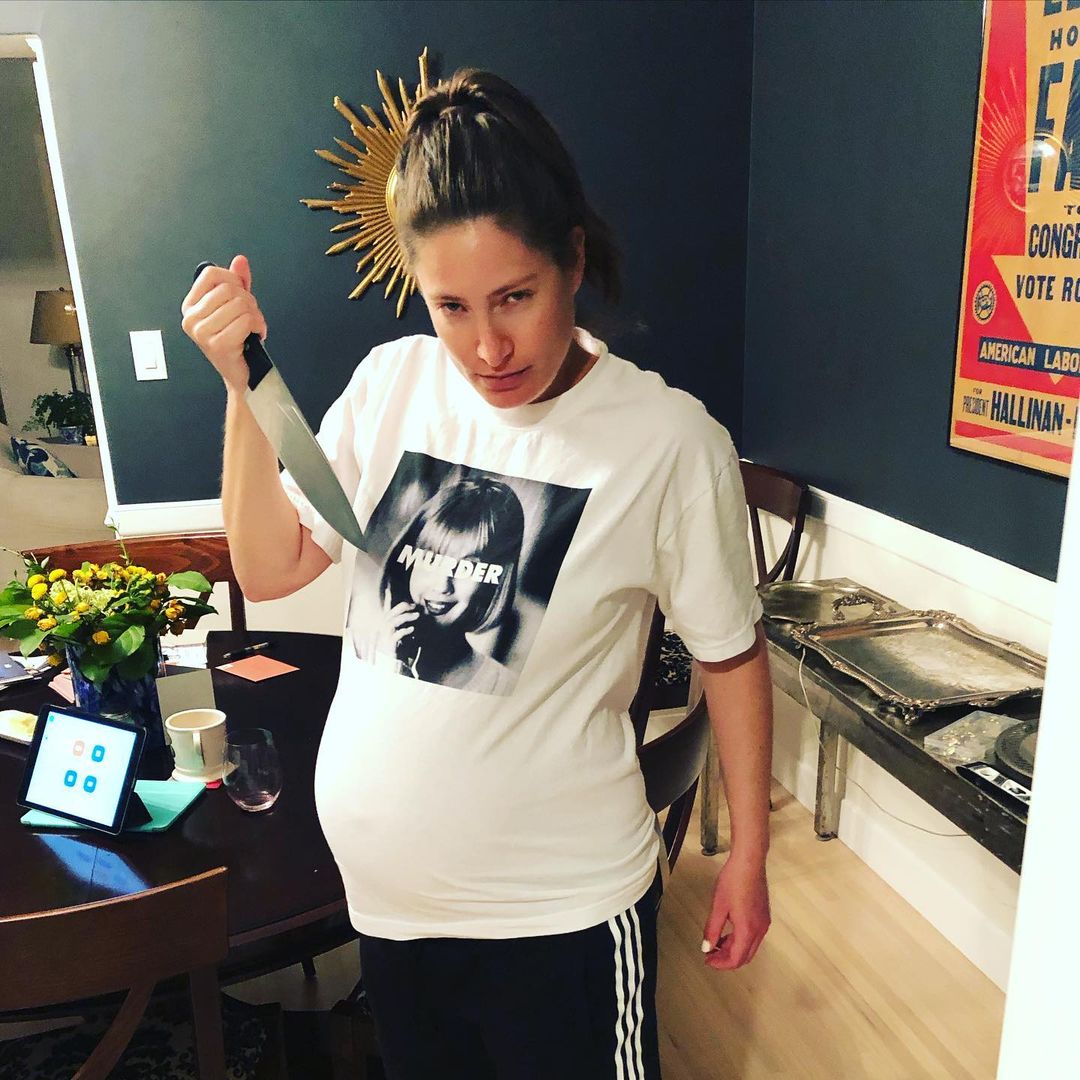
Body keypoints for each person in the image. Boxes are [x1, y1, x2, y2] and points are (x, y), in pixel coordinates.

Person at [181, 66, 773, 1080]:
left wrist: (750, 854)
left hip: (562, 916)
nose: (487, 346)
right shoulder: (391, 384)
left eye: (515, 298)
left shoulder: (668, 441)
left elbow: (730, 654)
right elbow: (269, 566)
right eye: (451, 307)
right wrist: (243, 387)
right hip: (392, 912)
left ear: (572, 261)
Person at [356, 474, 523, 694]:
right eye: (431, 558)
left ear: (494, 582)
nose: (443, 585)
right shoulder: (355, 648)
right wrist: (388, 663)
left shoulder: (505, 687)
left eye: (467, 568)